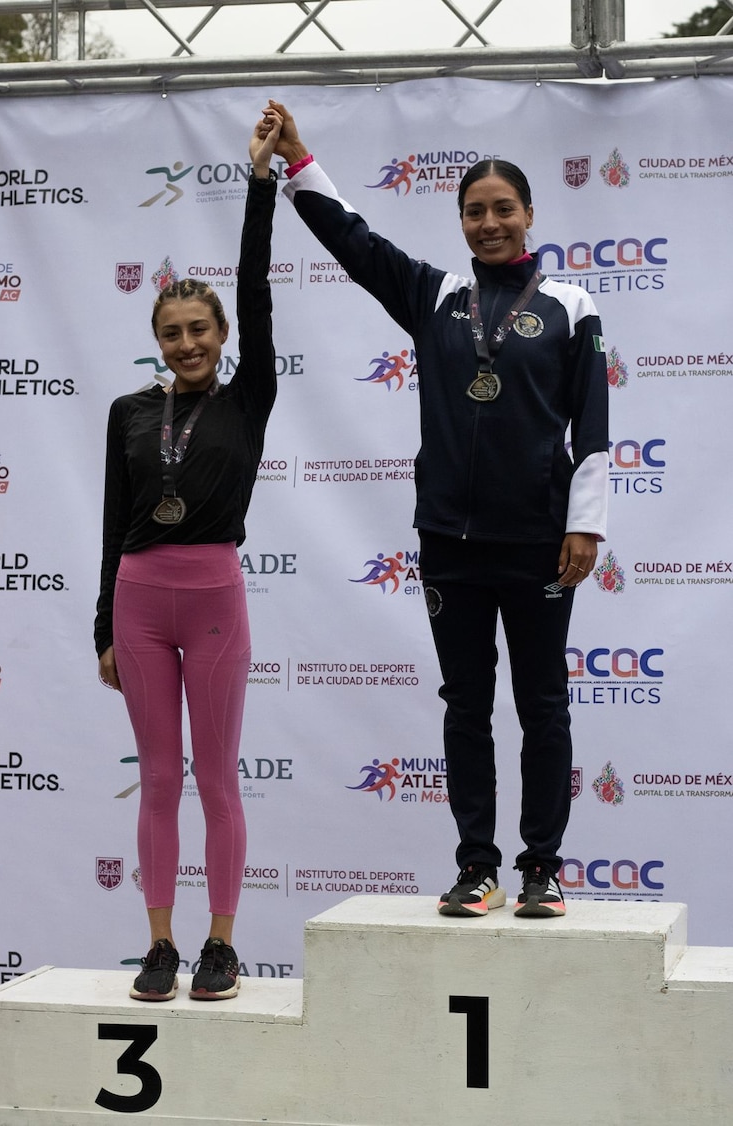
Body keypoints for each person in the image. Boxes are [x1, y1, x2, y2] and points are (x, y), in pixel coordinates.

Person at [260, 99, 608, 919]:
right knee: (466, 706)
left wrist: (584, 523)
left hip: (537, 545)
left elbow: (592, 425)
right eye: (474, 211)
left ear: (530, 215)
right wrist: (301, 162)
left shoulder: (571, 304)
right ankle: (477, 867)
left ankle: (543, 868)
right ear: (459, 221)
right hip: (450, 540)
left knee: (545, 705)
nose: (489, 223)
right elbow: (354, 241)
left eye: (503, 209)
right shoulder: (435, 296)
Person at [95, 108, 283, 1000]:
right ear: (159, 341)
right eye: (173, 333)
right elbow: (112, 524)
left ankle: (221, 944)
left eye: (200, 330)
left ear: (223, 336)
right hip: (138, 600)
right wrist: (103, 626)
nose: (188, 344)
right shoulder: (131, 415)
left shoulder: (249, 401)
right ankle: (161, 946)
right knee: (159, 778)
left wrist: (258, 181)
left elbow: (256, 285)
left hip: (212, 596)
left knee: (216, 776)